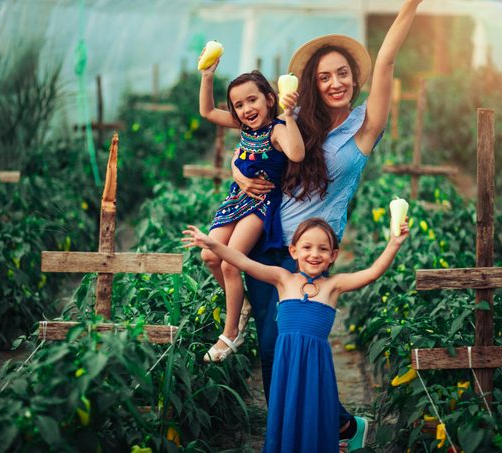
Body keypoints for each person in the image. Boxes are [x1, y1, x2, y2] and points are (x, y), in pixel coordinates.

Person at [230, 0, 424, 447]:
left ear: (355, 79)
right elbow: (251, 142)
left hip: (309, 254)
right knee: (271, 350)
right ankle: (327, 428)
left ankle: (319, 431)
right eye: (324, 76)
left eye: (342, 74)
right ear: (313, 84)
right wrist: (238, 172)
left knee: (298, 347)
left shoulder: (365, 127)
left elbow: (389, 59)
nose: (334, 83)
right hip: (268, 242)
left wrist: (411, 4)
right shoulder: (298, 119)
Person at [182, 217, 409, 452]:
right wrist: (212, 244)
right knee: (287, 410)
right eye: (307, 247)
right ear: (293, 251)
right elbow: (243, 262)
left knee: (314, 412)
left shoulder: (333, 286)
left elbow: (372, 273)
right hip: (287, 363)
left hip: (316, 366)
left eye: (323, 249)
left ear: (333, 255)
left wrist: (394, 242)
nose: (314, 254)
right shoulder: (283, 279)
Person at [197, 58, 305, 362]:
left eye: (252, 100)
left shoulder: (277, 129)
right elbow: (206, 111)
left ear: (269, 99)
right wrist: (207, 76)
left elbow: (296, 153)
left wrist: (289, 115)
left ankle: (231, 332)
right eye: (239, 105)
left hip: (261, 204)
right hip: (236, 199)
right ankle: (241, 304)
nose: (246, 109)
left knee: (231, 263)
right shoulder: (243, 125)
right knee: (208, 255)